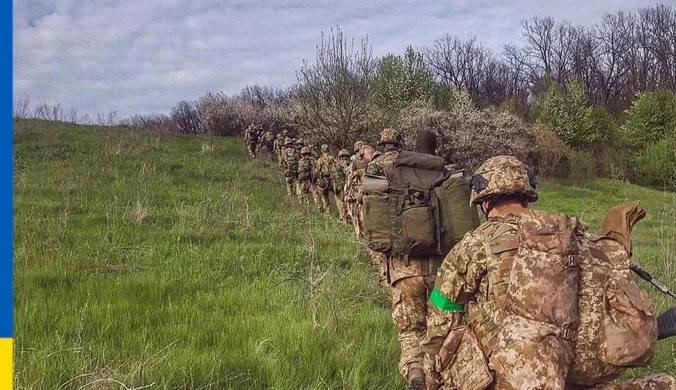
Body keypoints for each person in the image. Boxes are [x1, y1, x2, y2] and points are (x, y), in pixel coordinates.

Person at [367, 128, 442, 390]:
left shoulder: (393, 172)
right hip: (442, 273)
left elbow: (376, 225)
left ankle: (415, 375)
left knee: (410, 330)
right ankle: (441, 378)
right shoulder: (446, 173)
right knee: (441, 328)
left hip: (404, 270)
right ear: (435, 149)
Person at [331, 149, 351, 223]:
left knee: (340, 204)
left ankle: (343, 219)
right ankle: (348, 218)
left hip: (340, 188)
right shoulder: (352, 164)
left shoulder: (336, 165)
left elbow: (333, 177)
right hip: (350, 188)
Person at [314, 144, 334, 214]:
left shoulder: (320, 159)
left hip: (324, 181)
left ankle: (328, 213)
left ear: (322, 150)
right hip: (333, 180)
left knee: (324, 197)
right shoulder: (332, 158)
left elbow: (317, 170)